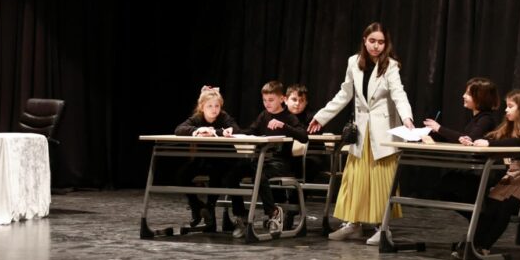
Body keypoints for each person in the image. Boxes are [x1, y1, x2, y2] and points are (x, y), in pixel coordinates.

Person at [308, 22, 415, 245]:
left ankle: (382, 228)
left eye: (381, 42)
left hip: (382, 132)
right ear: (365, 41)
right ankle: (353, 224)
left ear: (386, 44)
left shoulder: (390, 66)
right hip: (361, 131)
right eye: (372, 41)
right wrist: (322, 116)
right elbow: (345, 93)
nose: (376, 46)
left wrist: (407, 118)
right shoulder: (354, 62)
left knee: (381, 181)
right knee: (355, 178)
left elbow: (399, 94)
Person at [459, 89, 520, 257]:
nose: (506, 110)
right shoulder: (509, 126)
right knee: (490, 206)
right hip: (515, 172)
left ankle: (484, 247)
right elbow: (494, 138)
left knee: (505, 207)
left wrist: (489, 144)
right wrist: (473, 141)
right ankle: (472, 243)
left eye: (510, 106)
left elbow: (518, 142)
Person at [423, 77, 500, 217]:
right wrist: (433, 134)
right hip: (472, 171)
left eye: (468, 94)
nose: (463, 96)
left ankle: (480, 221)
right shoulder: (477, 118)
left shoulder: (486, 119)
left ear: (480, 97)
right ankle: (479, 221)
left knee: (446, 187)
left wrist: (440, 128)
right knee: (443, 187)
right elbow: (461, 139)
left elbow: (468, 139)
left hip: (480, 172)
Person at [241, 80, 309, 233]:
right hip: (262, 161)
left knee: (260, 175)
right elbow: (250, 131)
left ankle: (273, 213)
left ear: (282, 99)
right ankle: (240, 215)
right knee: (233, 173)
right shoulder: (263, 115)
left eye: (271, 100)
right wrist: (230, 132)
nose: (267, 103)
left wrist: (283, 126)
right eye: (264, 100)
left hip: (280, 163)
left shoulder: (289, 117)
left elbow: (304, 136)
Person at [174, 86, 243, 233]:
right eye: (210, 106)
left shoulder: (223, 117)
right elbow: (179, 129)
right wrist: (197, 130)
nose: (214, 109)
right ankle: (197, 207)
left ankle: (210, 209)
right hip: (203, 160)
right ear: (202, 107)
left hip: (225, 160)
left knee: (217, 173)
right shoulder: (198, 118)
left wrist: (217, 132)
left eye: (217, 106)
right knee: (182, 175)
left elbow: (236, 129)